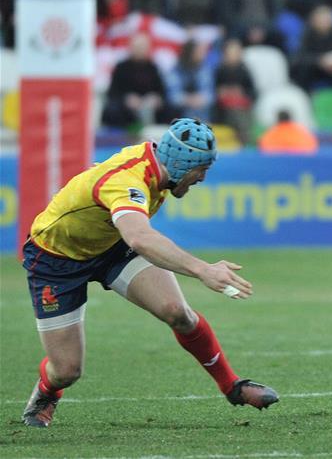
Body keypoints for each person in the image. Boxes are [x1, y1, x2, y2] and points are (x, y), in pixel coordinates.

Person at [20, 119, 279, 428]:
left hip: (111, 246)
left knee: (177, 312)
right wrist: (203, 269)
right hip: (56, 260)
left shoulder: (159, 167)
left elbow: (133, 233)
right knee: (66, 371)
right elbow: (140, 238)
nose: (202, 178)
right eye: (201, 170)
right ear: (181, 165)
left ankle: (231, 386)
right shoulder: (127, 181)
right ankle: (47, 393)